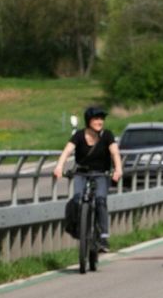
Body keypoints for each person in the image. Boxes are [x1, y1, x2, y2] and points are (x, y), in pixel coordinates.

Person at [53, 106, 123, 252]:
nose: (100, 121)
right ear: (88, 121)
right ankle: (79, 228)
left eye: (101, 118)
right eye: (96, 118)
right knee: (77, 199)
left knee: (100, 200)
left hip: (101, 174)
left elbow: (115, 153)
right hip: (81, 174)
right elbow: (67, 151)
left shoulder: (107, 135)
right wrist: (59, 167)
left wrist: (118, 169)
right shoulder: (79, 135)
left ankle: (103, 237)